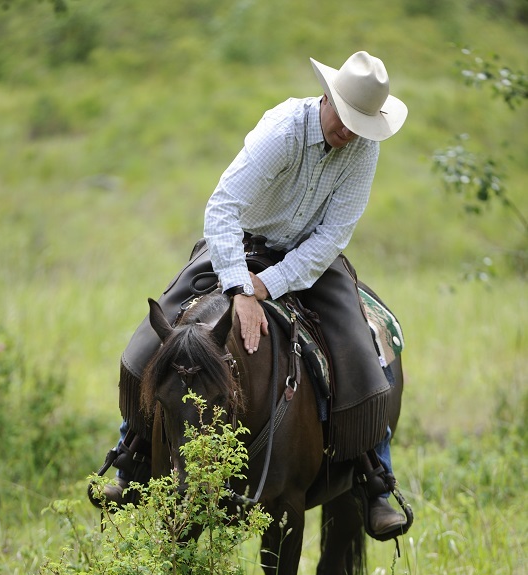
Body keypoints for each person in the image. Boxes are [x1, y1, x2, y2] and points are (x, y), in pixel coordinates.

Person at [92, 50, 409, 537]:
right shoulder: (283, 130)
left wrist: (271, 284)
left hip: (309, 259)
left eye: (360, 125)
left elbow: (332, 235)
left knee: (361, 348)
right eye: (345, 118)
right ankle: (130, 456)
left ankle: (375, 479)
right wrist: (241, 287)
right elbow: (222, 207)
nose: (349, 132)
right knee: (153, 342)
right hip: (237, 246)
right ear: (326, 98)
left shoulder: (363, 148)